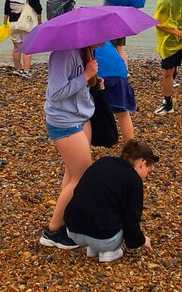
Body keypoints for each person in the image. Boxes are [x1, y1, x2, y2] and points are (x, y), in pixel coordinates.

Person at [39, 46, 97, 250]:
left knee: (73, 174)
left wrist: (92, 80)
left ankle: (66, 219)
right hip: (65, 121)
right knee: (81, 177)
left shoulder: (85, 50)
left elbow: (75, 84)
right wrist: (85, 76)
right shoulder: (63, 54)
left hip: (80, 117)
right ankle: (52, 231)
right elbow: (56, 93)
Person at [64, 139, 159, 262]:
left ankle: (92, 248)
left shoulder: (104, 161)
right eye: (148, 171)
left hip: (73, 230)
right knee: (120, 218)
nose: (146, 176)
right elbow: (131, 218)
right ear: (142, 163)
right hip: (103, 239)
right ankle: (109, 252)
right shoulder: (134, 180)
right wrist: (140, 240)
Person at [95, 37, 135, 142]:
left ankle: (83, 148)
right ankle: (130, 147)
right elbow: (120, 48)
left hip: (97, 71)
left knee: (85, 114)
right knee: (123, 113)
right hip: (117, 69)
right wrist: (125, 73)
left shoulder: (80, 29)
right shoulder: (113, 26)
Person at [4, 0, 42, 78]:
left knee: (16, 47)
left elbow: (6, 8)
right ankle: (26, 71)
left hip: (13, 24)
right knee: (27, 48)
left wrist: (5, 22)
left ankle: (17, 69)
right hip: (26, 24)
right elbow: (38, 7)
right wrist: (39, 20)